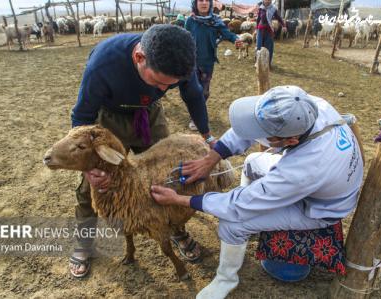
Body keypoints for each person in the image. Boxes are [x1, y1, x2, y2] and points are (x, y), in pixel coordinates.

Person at [151, 85, 364, 298]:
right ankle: (250, 224)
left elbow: (237, 205)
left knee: (232, 223)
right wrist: (211, 158)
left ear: (290, 141)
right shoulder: (304, 106)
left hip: (319, 207)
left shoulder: (305, 169)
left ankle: (226, 279)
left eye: (263, 135)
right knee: (252, 162)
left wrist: (181, 199)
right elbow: (248, 129)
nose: (254, 135)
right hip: (323, 181)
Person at [69, 24, 215, 278]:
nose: (161, 89)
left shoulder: (180, 60)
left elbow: (193, 94)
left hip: (149, 114)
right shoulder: (103, 65)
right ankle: (84, 241)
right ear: (139, 58)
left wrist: (207, 136)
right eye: (158, 82)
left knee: (169, 173)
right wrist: (90, 167)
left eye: (169, 86)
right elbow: (81, 116)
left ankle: (175, 228)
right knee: (90, 186)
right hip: (110, 120)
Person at [185, 0, 242, 131]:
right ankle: (195, 117)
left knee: (204, 92)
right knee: (193, 90)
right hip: (191, 62)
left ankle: (196, 114)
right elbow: (184, 37)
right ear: (195, 3)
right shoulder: (190, 21)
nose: (204, 3)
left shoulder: (216, 21)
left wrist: (236, 40)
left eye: (207, 0)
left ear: (210, 4)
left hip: (207, 62)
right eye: (200, 0)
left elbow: (228, 34)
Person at [256, 0, 287, 66]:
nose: (267, 1)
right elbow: (258, 19)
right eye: (266, 0)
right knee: (259, 46)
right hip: (260, 30)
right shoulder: (261, 8)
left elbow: (279, 18)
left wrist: (284, 25)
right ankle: (258, 62)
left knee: (268, 48)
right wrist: (256, 29)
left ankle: (268, 64)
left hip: (269, 30)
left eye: (269, 0)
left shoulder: (273, 9)